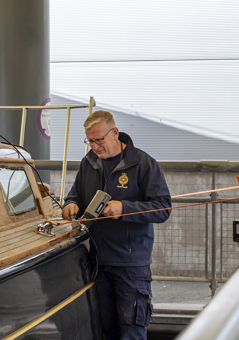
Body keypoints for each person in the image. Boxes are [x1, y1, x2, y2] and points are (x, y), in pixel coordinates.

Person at [62, 110, 171, 340]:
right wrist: (70, 206)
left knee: (131, 331)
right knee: (106, 330)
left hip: (131, 266)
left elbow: (163, 208)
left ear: (115, 133)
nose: (94, 146)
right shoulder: (88, 163)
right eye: (89, 141)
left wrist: (125, 209)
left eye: (99, 140)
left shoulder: (142, 163)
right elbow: (74, 197)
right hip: (98, 264)